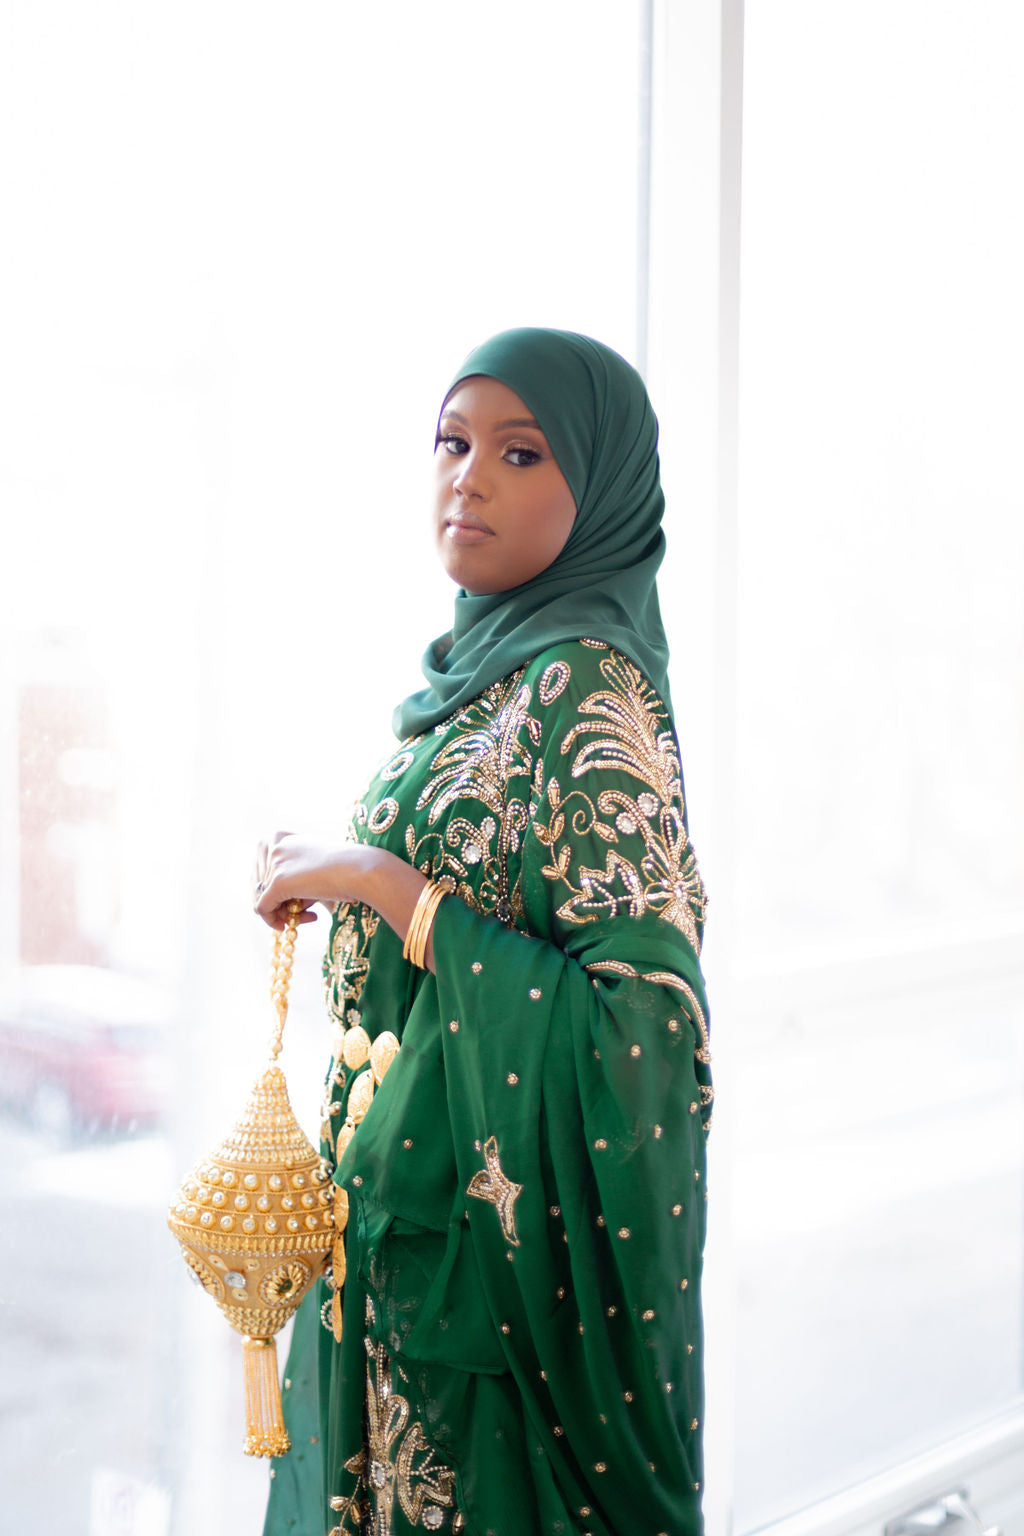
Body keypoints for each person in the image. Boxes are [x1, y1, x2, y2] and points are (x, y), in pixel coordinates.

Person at [254, 327, 712, 1536]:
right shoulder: (476, 677)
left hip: (497, 1301)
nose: (470, 476)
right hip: (400, 1255)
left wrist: (378, 883)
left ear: (601, 488)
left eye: (521, 452)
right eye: (453, 442)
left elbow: (644, 1034)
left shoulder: (585, 688)